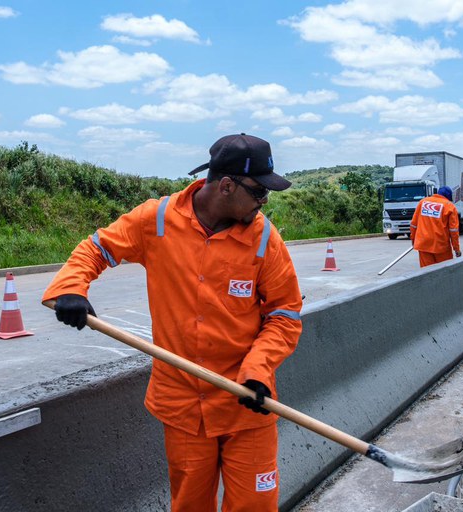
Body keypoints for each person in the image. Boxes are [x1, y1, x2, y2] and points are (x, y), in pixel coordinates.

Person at [42, 134, 303, 512]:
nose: (264, 201)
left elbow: (285, 314)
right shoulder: (158, 220)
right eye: (260, 191)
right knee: (190, 504)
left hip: (244, 401)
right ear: (226, 186)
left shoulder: (264, 238)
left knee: (256, 504)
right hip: (181, 404)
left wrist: (258, 370)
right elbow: (96, 248)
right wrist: (71, 288)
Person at [409, 186, 462, 267]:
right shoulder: (449, 206)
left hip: (423, 244)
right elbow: (453, 230)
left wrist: (413, 239)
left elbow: (413, 224)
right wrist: (456, 248)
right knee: (444, 272)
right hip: (441, 246)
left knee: (426, 272)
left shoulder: (423, 202)